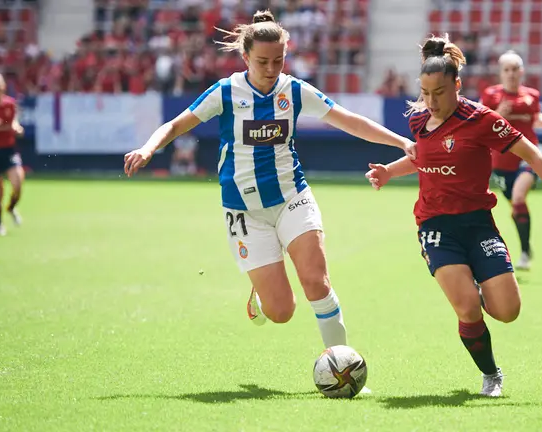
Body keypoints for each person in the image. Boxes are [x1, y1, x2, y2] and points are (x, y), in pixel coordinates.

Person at [123, 11, 415, 356]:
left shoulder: (293, 90)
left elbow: (349, 121)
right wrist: (148, 147)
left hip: (292, 197)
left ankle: (342, 365)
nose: (271, 68)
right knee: (281, 312)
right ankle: (262, 294)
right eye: (262, 61)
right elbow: (174, 125)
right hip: (244, 211)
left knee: (316, 281)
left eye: (278, 60)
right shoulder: (226, 92)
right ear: (245, 57)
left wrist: (402, 143)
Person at [365, 36, 542, 397]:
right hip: (436, 225)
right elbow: (423, 156)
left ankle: (480, 289)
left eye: (438, 92)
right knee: (468, 308)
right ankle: (490, 374)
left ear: (457, 85)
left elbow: (533, 155)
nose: (430, 102)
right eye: (424, 92)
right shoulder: (420, 119)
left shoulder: (481, 119)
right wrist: (390, 171)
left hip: (478, 224)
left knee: (508, 311)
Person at [479, 51, 542, 270]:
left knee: (518, 197)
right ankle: (526, 247)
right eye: (507, 70)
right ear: (501, 73)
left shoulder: (531, 96)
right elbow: (478, 124)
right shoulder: (490, 95)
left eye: (515, 69)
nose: (511, 74)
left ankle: (524, 252)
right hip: (499, 162)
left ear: (522, 71)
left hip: (526, 157)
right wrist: (498, 113)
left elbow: (536, 119)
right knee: (515, 206)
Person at [0, 73, 25, 237]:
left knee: (17, 184)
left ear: (3, 86)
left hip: (9, 150)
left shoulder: (10, 104)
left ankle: (11, 208)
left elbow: (14, 120)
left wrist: (17, 127)